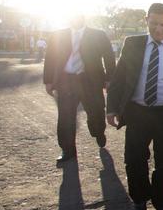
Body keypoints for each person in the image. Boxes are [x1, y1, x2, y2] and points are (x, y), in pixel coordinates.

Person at [106, 3, 163, 210]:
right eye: (153, 23)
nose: (158, 29)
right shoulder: (132, 44)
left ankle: (162, 205)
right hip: (137, 112)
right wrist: (112, 108)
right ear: (146, 20)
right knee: (134, 159)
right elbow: (119, 78)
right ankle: (139, 200)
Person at [43, 15, 115, 165]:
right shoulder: (57, 35)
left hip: (91, 81)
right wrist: (48, 81)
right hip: (66, 81)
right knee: (65, 117)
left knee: (96, 112)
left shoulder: (98, 35)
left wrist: (109, 79)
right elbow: (50, 58)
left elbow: (109, 56)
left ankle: (98, 132)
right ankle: (67, 150)